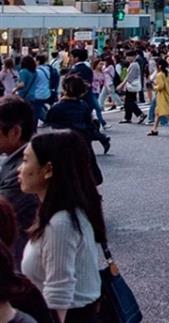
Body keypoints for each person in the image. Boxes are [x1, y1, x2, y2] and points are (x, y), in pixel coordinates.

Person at [18, 130, 107, 321]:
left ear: (48, 169)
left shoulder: (60, 223)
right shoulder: (66, 212)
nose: (19, 169)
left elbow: (58, 293)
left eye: (25, 161)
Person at [0, 98, 37, 265]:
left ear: (15, 132)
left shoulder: (24, 170)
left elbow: (3, 213)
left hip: (22, 263)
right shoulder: (28, 158)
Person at [115, 52, 146, 125]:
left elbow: (128, 77)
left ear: (134, 56)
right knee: (127, 102)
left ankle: (140, 114)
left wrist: (121, 85)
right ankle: (127, 117)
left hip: (131, 85)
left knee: (129, 101)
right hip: (131, 85)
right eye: (127, 56)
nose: (128, 58)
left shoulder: (134, 65)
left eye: (130, 56)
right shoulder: (132, 64)